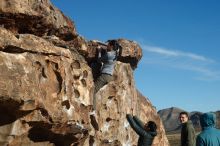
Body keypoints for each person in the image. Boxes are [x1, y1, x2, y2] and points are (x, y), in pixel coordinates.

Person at [92, 40, 119, 110]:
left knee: (93, 90)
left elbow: (99, 60)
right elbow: (108, 47)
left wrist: (99, 51)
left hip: (104, 76)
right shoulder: (116, 53)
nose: (107, 46)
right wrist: (99, 42)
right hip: (110, 77)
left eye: (108, 45)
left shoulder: (108, 55)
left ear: (112, 46)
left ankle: (93, 110)